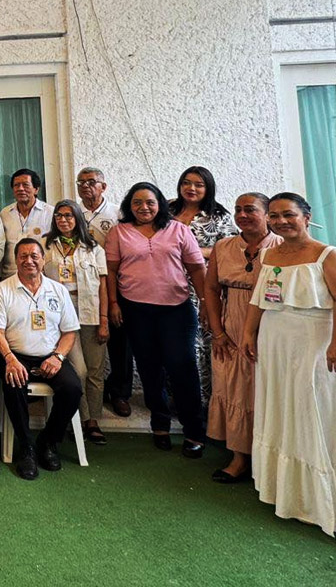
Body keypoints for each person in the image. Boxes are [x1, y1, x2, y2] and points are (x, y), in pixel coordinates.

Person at [243, 193, 336, 538]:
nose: (281, 221)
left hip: (313, 338)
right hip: (274, 338)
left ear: (306, 217)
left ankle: (318, 498)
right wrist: (249, 333)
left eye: (289, 215)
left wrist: (335, 343)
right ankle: (286, 491)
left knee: (311, 406)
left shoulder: (326, 254)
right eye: (274, 216)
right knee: (281, 405)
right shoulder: (269, 254)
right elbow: (258, 298)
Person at [105, 182, 208, 457]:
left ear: (159, 204)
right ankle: (159, 424)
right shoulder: (119, 232)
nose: (144, 207)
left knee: (182, 366)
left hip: (176, 310)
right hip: (136, 310)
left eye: (149, 202)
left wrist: (206, 303)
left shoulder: (178, 230)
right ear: (129, 206)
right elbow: (111, 271)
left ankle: (194, 430)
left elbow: (197, 269)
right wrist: (113, 303)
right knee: (149, 369)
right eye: (137, 203)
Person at [0, 239, 83, 480]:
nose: (29, 260)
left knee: (72, 389)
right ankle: (27, 448)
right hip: (14, 355)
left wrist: (58, 357)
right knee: (14, 384)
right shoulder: (2, 289)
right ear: (15, 259)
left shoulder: (58, 290)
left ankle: (48, 441)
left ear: (43, 259)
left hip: (51, 356)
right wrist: (10, 359)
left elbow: (69, 332)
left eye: (34, 256)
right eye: (23, 256)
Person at [204, 193, 281, 483]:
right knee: (233, 388)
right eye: (238, 210)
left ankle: (270, 458)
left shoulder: (282, 246)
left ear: (267, 214)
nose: (242, 215)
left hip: (270, 324)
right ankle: (239, 457)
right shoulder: (223, 246)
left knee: (265, 389)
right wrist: (218, 332)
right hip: (231, 325)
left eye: (250, 209)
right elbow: (211, 289)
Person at [170, 166, 238, 404]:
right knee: (173, 344)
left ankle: (204, 402)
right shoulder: (167, 210)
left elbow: (230, 248)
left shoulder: (218, 216)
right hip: (167, 287)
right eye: (186, 183)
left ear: (208, 188)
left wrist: (197, 252)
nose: (191, 188)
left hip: (202, 288)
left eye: (199, 185)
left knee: (200, 344)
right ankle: (177, 399)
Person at [43, 200, 109, 445]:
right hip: (60, 315)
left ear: (78, 218)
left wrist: (104, 319)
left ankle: (93, 421)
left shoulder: (93, 247)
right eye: (59, 216)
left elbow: (103, 286)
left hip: (90, 312)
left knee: (95, 370)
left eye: (69, 216)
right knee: (78, 370)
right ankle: (77, 417)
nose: (63, 220)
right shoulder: (46, 246)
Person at [77, 166, 132, 417]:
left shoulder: (118, 214)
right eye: (81, 182)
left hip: (114, 283)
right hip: (83, 286)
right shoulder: (73, 212)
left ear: (104, 186)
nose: (86, 186)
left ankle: (120, 393)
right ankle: (83, 395)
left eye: (91, 182)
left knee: (120, 341)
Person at [0, 168, 53, 280]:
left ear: (36, 189)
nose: (20, 189)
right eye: (16, 185)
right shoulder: (5, 213)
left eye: (25, 185)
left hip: (40, 276)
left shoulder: (50, 212)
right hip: (10, 276)